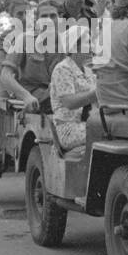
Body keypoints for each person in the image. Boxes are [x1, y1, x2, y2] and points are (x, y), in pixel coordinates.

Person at [0, 0, 62, 112]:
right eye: (44, 16)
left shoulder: (69, 42)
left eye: (53, 16)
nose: (48, 21)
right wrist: (25, 96)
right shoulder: (24, 39)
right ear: (36, 20)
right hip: (33, 99)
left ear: (59, 19)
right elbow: (5, 75)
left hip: (61, 96)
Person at [49, 24, 98, 158]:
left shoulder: (87, 70)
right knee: (105, 132)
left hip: (87, 123)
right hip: (68, 127)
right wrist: (95, 95)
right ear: (75, 47)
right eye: (88, 42)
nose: (92, 46)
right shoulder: (62, 69)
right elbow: (69, 102)